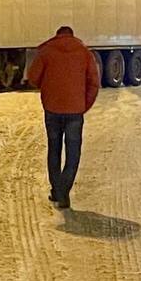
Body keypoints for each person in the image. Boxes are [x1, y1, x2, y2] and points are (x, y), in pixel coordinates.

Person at [27, 26, 100, 210]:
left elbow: (33, 77)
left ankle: (57, 190)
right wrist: (84, 105)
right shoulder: (84, 52)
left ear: (57, 35)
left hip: (52, 110)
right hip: (75, 112)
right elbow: (94, 82)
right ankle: (63, 191)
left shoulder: (47, 51)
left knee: (54, 149)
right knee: (73, 153)